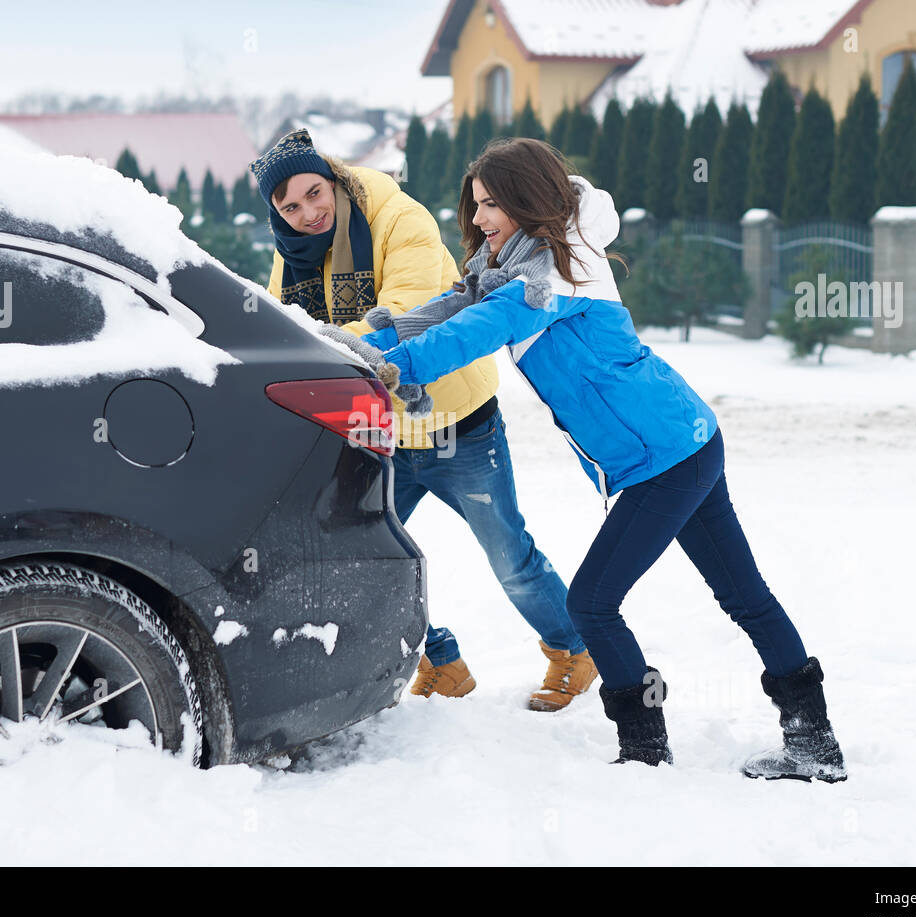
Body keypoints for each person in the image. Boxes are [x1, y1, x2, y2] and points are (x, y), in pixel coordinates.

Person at [366, 137, 847, 781]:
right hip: (684, 440)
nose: (478, 218)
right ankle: (812, 743)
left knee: (593, 603)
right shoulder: (518, 264)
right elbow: (451, 309)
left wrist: (392, 370)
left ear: (525, 199)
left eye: (489, 205)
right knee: (742, 595)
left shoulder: (556, 273)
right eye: (475, 205)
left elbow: (474, 330)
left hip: (668, 457)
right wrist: (360, 347)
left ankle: (647, 749)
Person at [251, 129, 597, 711]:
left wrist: (327, 351)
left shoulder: (397, 218)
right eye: (290, 206)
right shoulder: (294, 256)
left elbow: (409, 314)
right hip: (375, 428)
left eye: (315, 193)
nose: (309, 213)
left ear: (333, 180)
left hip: (454, 422)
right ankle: (441, 660)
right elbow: (290, 328)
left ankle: (573, 650)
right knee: (351, 556)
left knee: (509, 555)